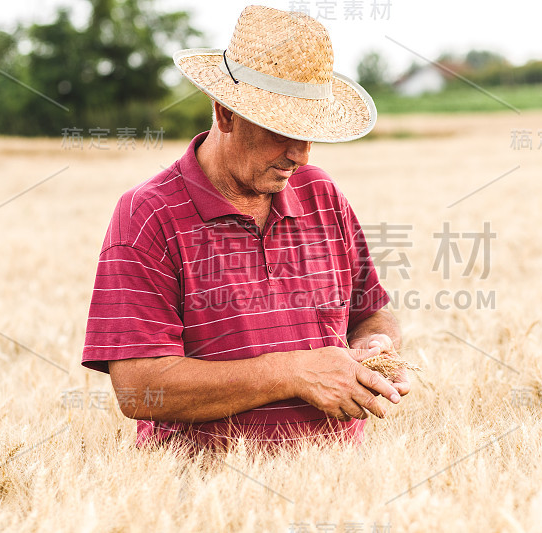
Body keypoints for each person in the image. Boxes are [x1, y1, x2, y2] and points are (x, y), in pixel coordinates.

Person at [81, 5, 409, 452]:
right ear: (225, 114)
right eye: (281, 131)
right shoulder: (149, 215)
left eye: (309, 133)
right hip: (207, 505)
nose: (301, 155)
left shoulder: (322, 195)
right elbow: (139, 387)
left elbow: (370, 309)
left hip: (339, 490)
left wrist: (377, 344)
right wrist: (293, 372)